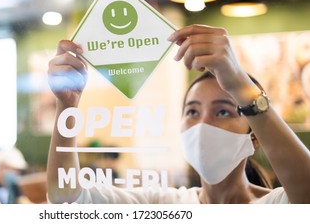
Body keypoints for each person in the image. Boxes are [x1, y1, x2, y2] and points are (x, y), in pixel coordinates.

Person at [46, 24, 310, 204]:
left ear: (254, 137)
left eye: (223, 111)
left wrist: (240, 84)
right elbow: (66, 197)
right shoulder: (166, 204)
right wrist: (67, 106)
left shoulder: (275, 205)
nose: (203, 123)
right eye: (192, 111)